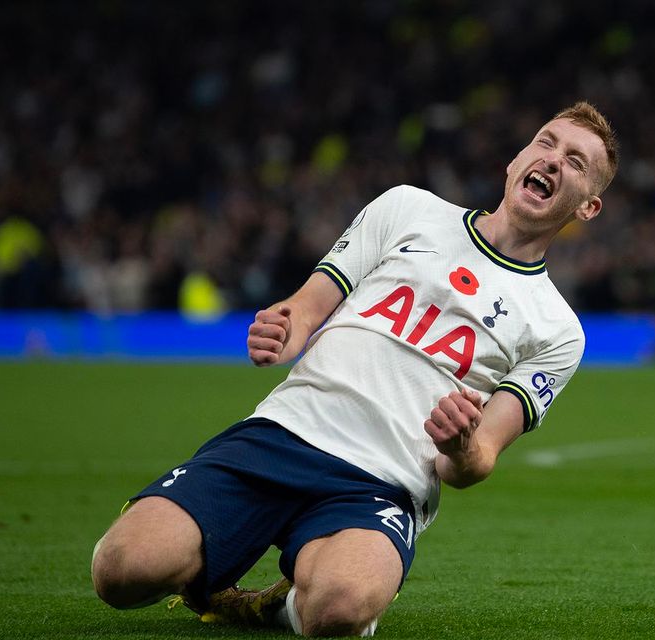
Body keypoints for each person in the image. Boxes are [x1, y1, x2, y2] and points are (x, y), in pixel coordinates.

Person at [91, 101, 619, 637]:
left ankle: (274, 606)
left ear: (588, 207)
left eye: (576, 162)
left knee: (338, 610)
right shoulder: (407, 208)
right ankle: (211, 559)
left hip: (381, 484)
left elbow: (476, 460)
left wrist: (460, 445)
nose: (554, 160)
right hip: (281, 435)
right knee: (121, 570)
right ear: (516, 160)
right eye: (546, 142)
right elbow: (306, 307)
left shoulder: (558, 330)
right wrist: (284, 329)